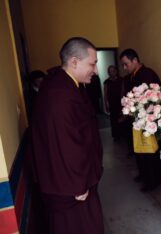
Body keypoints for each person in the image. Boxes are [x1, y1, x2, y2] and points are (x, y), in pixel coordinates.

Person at [30, 37, 104, 234]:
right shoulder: (60, 95)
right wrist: (78, 185)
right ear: (74, 62)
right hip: (71, 186)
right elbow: (65, 144)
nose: (96, 71)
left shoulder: (68, 85)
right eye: (93, 64)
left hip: (74, 178)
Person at [120, 48, 161, 191]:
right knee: (139, 149)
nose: (124, 67)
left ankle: (153, 180)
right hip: (136, 120)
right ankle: (144, 174)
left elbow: (156, 96)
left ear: (135, 60)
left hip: (148, 120)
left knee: (150, 151)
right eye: (123, 65)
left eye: (126, 64)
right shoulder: (130, 77)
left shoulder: (148, 73)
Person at [104, 65, 124, 141]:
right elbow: (105, 94)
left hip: (120, 103)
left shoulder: (121, 80)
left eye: (113, 71)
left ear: (116, 71)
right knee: (113, 120)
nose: (112, 73)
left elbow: (122, 92)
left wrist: (123, 103)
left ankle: (122, 134)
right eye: (110, 71)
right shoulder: (106, 82)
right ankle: (116, 136)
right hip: (112, 103)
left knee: (121, 118)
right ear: (108, 73)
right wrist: (106, 104)